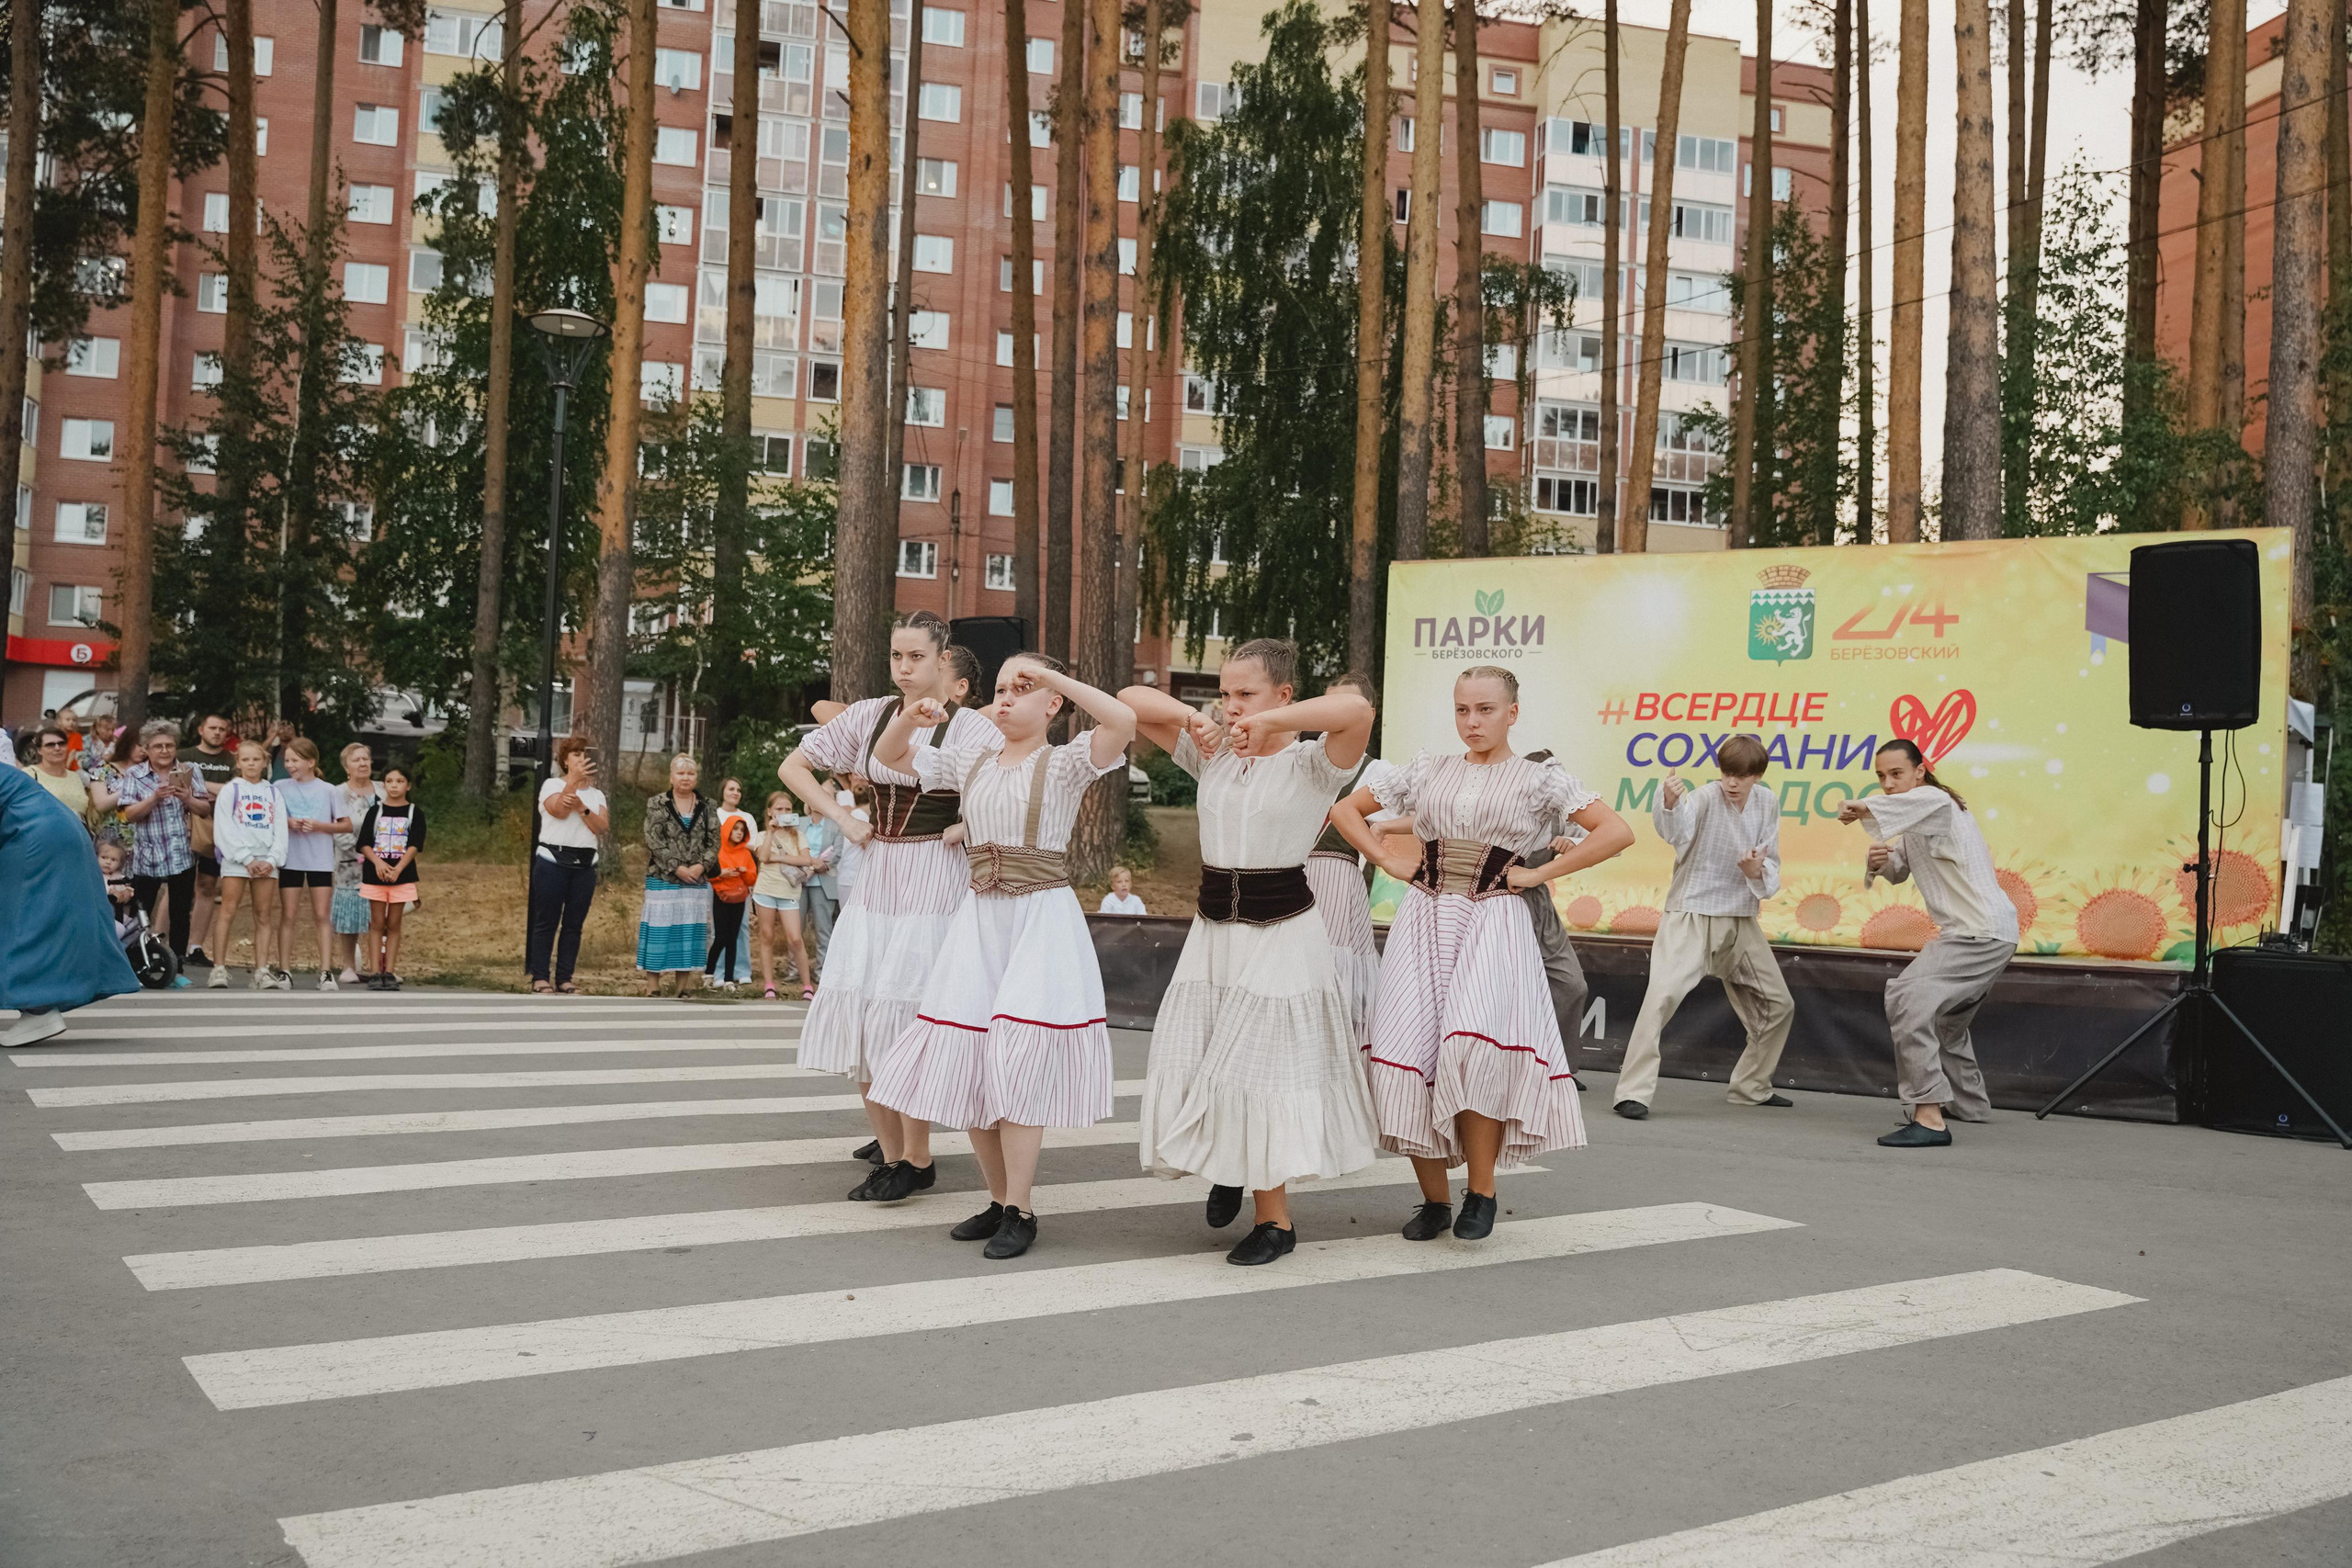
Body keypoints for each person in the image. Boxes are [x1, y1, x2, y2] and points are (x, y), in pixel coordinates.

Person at [1329, 666, 1635, 1242]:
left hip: (1494, 921)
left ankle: (1482, 1192)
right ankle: (1433, 1201)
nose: (1472, 722)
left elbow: (1615, 831)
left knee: (1471, 1048)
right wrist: (1389, 859)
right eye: (1463, 710)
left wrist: (1541, 870)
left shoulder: (1538, 780)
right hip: (1423, 918)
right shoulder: (1428, 769)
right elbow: (1345, 812)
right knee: (1408, 1048)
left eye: (1486, 710)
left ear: (1512, 713)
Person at [865, 655, 1135, 1257]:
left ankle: (1023, 1207)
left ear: (1052, 705)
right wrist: (910, 718)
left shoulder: (1063, 764)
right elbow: (887, 758)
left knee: (1015, 1062)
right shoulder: (974, 758)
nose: (1008, 698)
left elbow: (1122, 719)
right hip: (980, 920)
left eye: (1023, 689)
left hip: (1039, 921)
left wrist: (1051, 675)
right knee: (968, 1058)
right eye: (1002, 689)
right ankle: (996, 1199)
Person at [1121, 643, 1381, 1267]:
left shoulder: (1313, 764)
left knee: (1257, 1072)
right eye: (1226, 693)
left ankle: (1276, 1223)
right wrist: (1193, 719)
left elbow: (1357, 710)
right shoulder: (1212, 752)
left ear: (1285, 696)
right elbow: (1131, 701)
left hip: (1282, 933)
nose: (1232, 706)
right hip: (1215, 937)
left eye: (1247, 694)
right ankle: (1228, 1167)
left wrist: (1270, 726)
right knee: (1205, 1057)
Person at [776, 611, 1000, 1189]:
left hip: (936, 873)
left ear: (940, 657)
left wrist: (967, 826)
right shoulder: (870, 714)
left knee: (909, 1011)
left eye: (916, 657)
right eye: (896, 656)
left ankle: (916, 1159)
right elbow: (794, 765)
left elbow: (1006, 790)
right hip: (880, 871)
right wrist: (842, 820)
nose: (904, 668)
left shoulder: (971, 728)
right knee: (863, 1002)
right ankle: (894, 1149)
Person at [1837, 738, 2018, 1148]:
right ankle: (1969, 1105)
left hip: (1976, 932)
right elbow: (1901, 868)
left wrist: (1859, 806)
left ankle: (1929, 1116)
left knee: (1906, 996)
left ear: (1921, 770)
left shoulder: (1936, 801)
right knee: (1946, 1024)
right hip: (1989, 933)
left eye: (1896, 774)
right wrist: (1881, 864)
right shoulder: (1921, 816)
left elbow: (1889, 810)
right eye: (1881, 777)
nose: (1888, 784)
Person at [1611, 734, 1796, 1120]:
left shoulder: (1767, 802)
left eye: (1740, 776)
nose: (1731, 782)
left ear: (1756, 776)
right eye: (1727, 773)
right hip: (1691, 912)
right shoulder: (1704, 797)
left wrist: (1755, 870)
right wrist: (1670, 801)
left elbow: (1770, 860)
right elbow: (1677, 834)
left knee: (1779, 1004)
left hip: (1741, 915)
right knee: (1660, 997)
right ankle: (1633, 1093)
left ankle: (1752, 1087)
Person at [0, 762, 139, 1045]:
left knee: (20, 922)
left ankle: (38, 1010)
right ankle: (38, 1007)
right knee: (38, 919)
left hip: (36, 836)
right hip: (59, 830)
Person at [1301, 672, 1390, 1040]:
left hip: (1335, 876)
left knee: (1331, 967)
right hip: (1286, 873)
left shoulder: (1377, 771)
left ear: (1369, 713)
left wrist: (1386, 835)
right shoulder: (1302, 757)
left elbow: (1408, 825)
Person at [115, 719, 213, 977]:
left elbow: (204, 809)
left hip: (181, 853)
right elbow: (127, 814)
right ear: (146, 749)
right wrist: (154, 798)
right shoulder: (135, 775)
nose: (164, 750)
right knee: (140, 912)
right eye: (157, 746)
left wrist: (187, 798)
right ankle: (138, 962)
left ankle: (177, 966)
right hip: (148, 854)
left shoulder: (190, 770)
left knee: (181, 912)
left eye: (169, 745)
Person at [528, 738, 609, 994]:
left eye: (584, 754)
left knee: (574, 924)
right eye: (575, 754)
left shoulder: (596, 795)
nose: (581, 758)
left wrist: (583, 807)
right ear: (565, 760)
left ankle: (565, 977)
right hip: (553, 860)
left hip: (585, 864)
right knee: (547, 921)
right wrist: (572, 784)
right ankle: (540, 976)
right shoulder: (552, 785)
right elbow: (558, 811)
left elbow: (601, 826)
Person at [208, 739, 288, 989]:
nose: (251, 764)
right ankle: (219, 968)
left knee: (263, 915)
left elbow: (280, 829)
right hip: (238, 860)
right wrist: (246, 858)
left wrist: (272, 859)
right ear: (238, 762)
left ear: (264, 763)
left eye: (256, 759)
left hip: (266, 861)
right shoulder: (231, 790)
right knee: (227, 911)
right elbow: (224, 829)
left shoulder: (273, 792)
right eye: (246, 760)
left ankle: (261, 970)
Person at [272, 738, 348, 990]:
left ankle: (326, 972)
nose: (290, 765)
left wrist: (319, 826)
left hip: (320, 860)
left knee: (321, 914)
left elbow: (345, 824)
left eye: (295, 760)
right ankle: (284, 970)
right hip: (291, 858)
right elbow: (270, 818)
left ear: (311, 762)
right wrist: (288, 823)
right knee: (289, 914)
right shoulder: (279, 786)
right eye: (287, 760)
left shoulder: (328, 790)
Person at [639, 752, 718, 996]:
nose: (686, 778)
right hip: (663, 878)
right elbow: (653, 839)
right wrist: (676, 867)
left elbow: (715, 841)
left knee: (688, 932)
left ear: (696, 777)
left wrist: (701, 866)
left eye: (691, 773)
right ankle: (653, 986)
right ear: (671, 777)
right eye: (681, 773)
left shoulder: (708, 806)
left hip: (696, 880)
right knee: (659, 931)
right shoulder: (657, 803)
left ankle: (682, 987)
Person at [356, 764, 424, 990]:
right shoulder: (375, 811)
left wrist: (397, 869)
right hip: (375, 875)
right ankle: (376, 971)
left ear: (408, 785)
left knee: (394, 924)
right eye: (389, 781)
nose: (394, 786)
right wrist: (378, 863)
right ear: (383, 785)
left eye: (399, 781)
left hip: (402, 876)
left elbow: (415, 845)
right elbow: (364, 843)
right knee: (377, 923)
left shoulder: (415, 812)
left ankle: (390, 972)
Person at [183, 712, 239, 968]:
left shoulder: (232, 760)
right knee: (178, 888)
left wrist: (199, 784)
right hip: (184, 827)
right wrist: (218, 790)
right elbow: (179, 788)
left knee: (206, 886)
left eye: (222, 729)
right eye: (212, 728)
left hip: (218, 830)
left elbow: (236, 791)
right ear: (201, 730)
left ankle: (195, 946)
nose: (217, 733)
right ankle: (161, 941)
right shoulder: (185, 756)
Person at [330, 742, 386, 986]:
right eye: (356, 760)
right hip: (350, 863)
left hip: (384, 861)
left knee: (381, 916)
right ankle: (349, 966)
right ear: (346, 767)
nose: (363, 764)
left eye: (366, 759)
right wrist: (361, 850)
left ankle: (381, 967)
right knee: (350, 915)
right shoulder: (337, 792)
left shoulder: (385, 789)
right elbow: (336, 827)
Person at [752, 792, 817, 1000]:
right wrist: (771, 832)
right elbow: (762, 857)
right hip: (766, 890)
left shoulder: (799, 836)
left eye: (788, 809)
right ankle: (769, 984)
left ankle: (807, 986)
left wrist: (778, 857)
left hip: (789, 891)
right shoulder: (763, 835)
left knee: (795, 938)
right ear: (770, 811)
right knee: (767, 936)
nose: (784, 813)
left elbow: (806, 860)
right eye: (779, 809)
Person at [705, 806, 757, 991]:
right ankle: (709, 972)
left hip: (739, 899)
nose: (738, 833)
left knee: (733, 938)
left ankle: (729, 979)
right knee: (720, 937)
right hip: (721, 897)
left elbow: (753, 877)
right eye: (735, 829)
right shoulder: (718, 852)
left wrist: (744, 873)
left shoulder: (746, 854)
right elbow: (709, 875)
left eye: (742, 830)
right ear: (727, 830)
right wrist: (722, 874)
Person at [22, 725, 95, 829]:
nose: (57, 748)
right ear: (39, 750)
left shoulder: (75, 777)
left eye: (62, 744)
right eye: (50, 745)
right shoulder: (29, 774)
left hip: (77, 837)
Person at [84, 727, 137, 852]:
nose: (143, 750)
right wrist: (130, 786)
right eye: (138, 745)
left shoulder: (151, 771)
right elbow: (101, 805)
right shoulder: (104, 770)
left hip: (142, 843)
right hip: (111, 844)